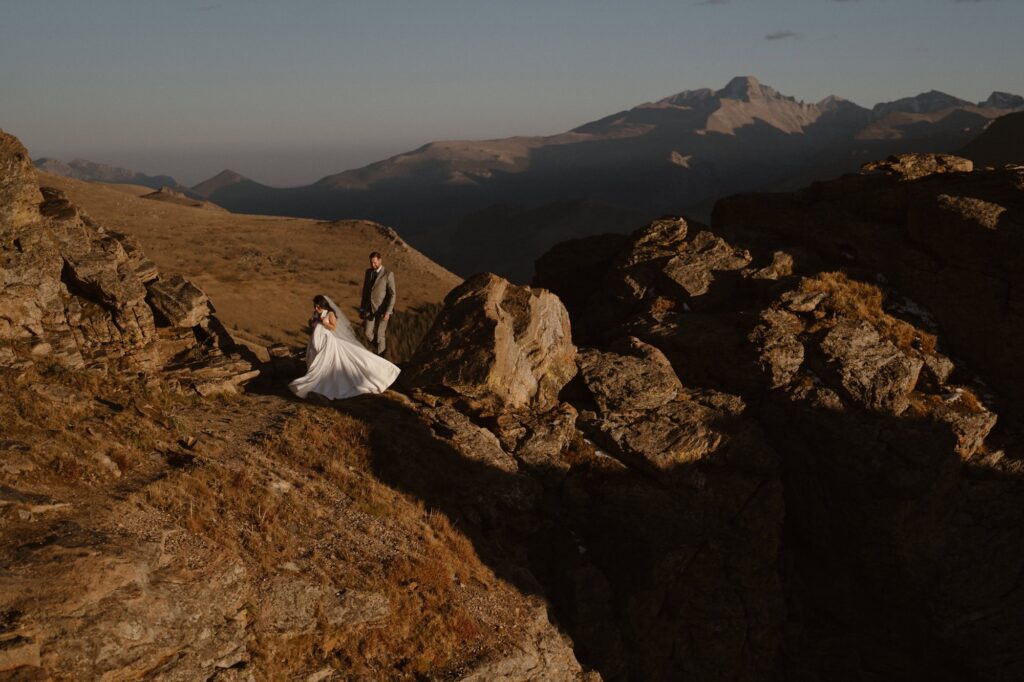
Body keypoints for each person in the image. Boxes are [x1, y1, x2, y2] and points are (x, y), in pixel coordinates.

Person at [289, 294, 400, 400]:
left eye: (318, 305)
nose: (316, 307)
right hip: (315, 341)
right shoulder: (315, 313)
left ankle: (318, 381)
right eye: (315, 305)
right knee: (315, 359)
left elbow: (333, 327)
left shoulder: (330, 314)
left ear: (323, 305)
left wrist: (324, 323)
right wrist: (311, 322)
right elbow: (313, 325)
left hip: (327, 341)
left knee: (326, 362)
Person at [359, 251, 396, 355]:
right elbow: (365, 292)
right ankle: (378, 346)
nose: (373, 265)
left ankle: (381, 356)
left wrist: (388, 311)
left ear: (380, 260)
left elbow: (393, 294)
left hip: (382, 310)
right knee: (367, 333)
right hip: (369, 308)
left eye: (375, 262)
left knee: (380, 335)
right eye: (371, 262)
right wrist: (362, 309)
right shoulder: (368, 272)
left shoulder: (388, 274)